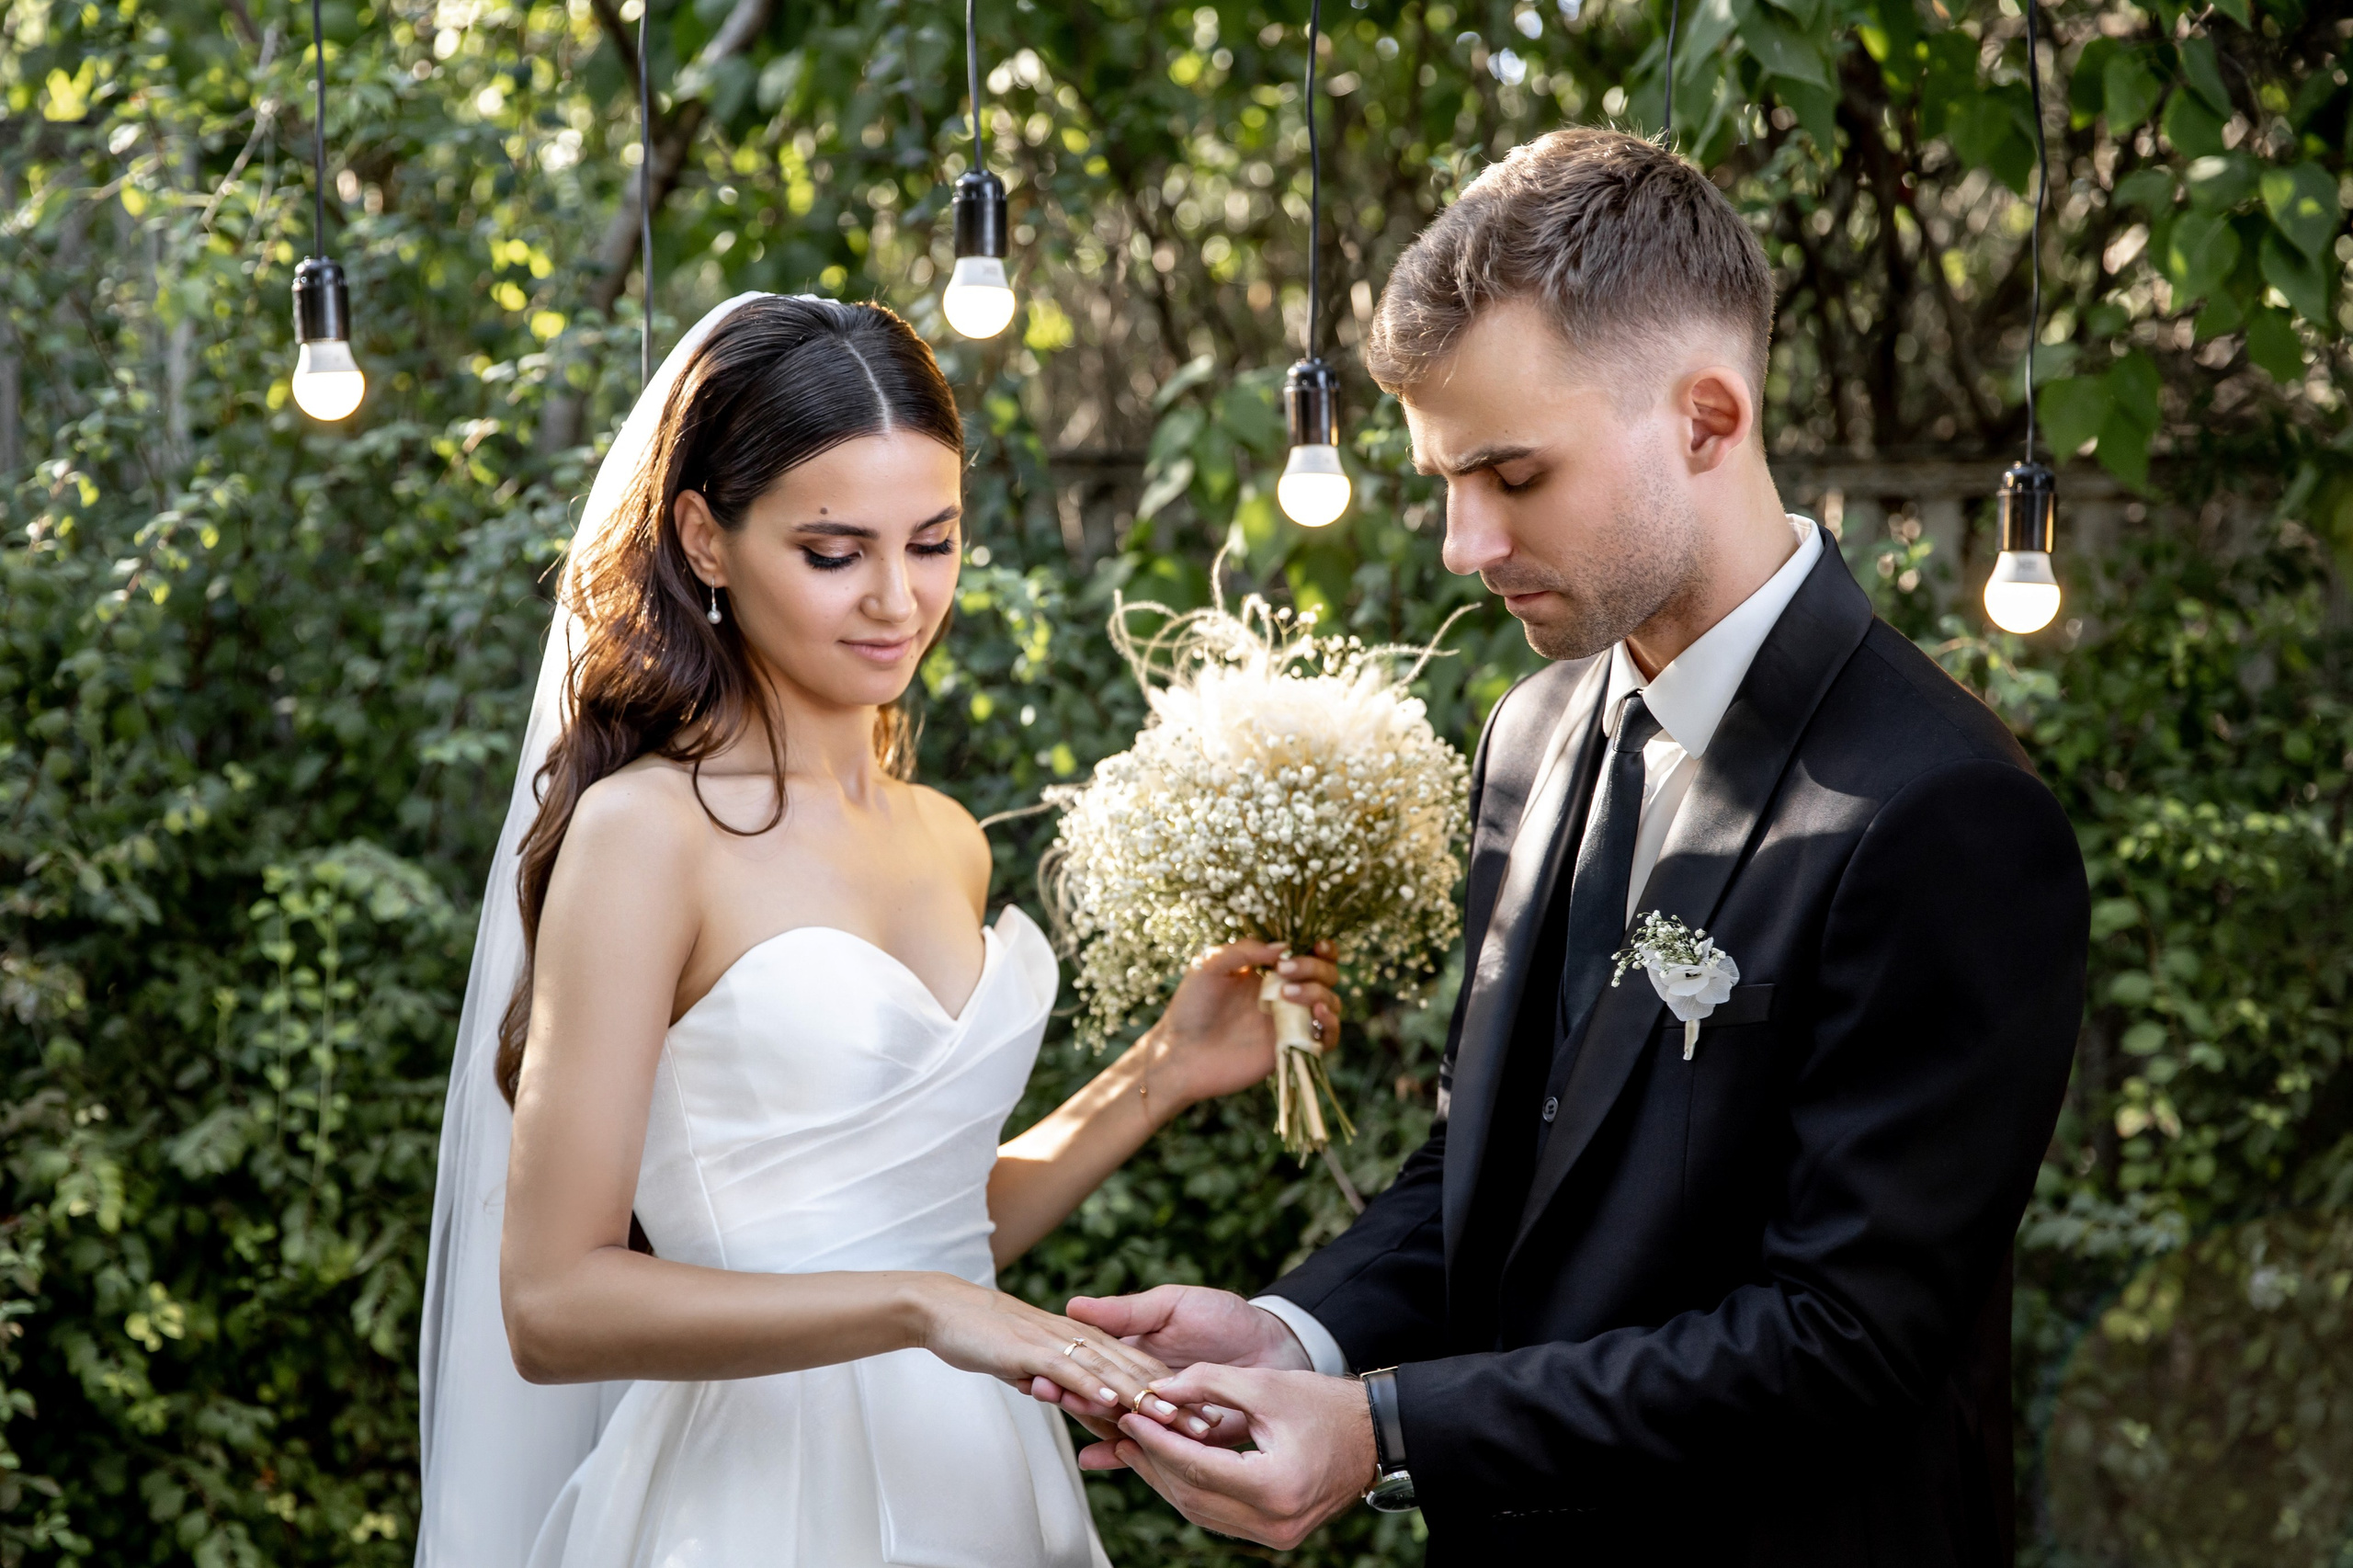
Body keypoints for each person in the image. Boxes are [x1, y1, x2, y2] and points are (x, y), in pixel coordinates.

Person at [1045, 128, 2088, 1566]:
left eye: (1513, 475)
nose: (1466, 544)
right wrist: (1299, 1327)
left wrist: (1387, 1428)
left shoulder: (1945, 812)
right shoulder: (1530, 735)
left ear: (1708, 419)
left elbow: (1843, 1341)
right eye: (1444, 482)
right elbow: (1499, 1161)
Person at [412, 292, 1344, 1568]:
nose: (899, 600)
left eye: (936, 540)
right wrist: (926, 1309)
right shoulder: (648, 834)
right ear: (704, 538)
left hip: (981, 1477)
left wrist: (1160, 1073)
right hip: (751, 1500)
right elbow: (552, 1302)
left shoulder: (944, 836)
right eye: (835, 550)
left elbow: (918, 1219)